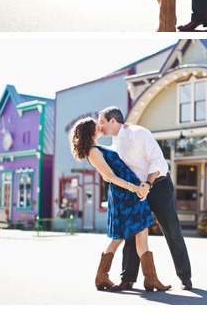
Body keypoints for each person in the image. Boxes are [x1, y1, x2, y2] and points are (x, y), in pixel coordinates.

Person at [69, 117, 171, 293]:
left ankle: (144, 279)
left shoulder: (99, 148)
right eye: (96, 125)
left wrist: (126, 128)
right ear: (90, 132)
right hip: (125, 194)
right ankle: (142, 279)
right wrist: (135, 188)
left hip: (129, 193)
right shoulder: (93, 152)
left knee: (135, 233)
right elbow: (111, 177)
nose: (100, 126)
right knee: (127, 234)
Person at [98, 106, 193, 291]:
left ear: (112, 121)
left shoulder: (138, 133)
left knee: (171, 230)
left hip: (158, 186)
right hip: (138, 191)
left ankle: (185, 277)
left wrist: (148, 185)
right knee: (132, 233)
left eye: (102, 121)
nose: (99, 126)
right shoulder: (114, 144)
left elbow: (157, 160)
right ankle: (127, 279)